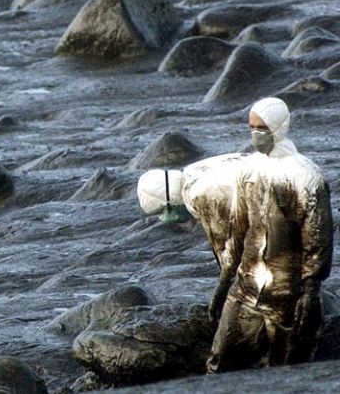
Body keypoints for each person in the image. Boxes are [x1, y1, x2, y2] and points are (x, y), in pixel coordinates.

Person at [207, 97, 334, 372]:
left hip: (287, 294)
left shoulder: (306, 176)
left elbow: (317, 236)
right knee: (221, 361)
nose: (256, 134)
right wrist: (224, 282)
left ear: (279, 127)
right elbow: (237, 229)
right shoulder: (248, 169)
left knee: (286, 370)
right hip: (246, 288)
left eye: (262, 127)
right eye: (252, 127)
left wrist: (310, 291)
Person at [137, 153, 249, 329]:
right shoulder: (193, 172)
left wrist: (221, 294)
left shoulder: (198, 195)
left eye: (162, 211)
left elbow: (228, 251)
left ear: (169, 202)